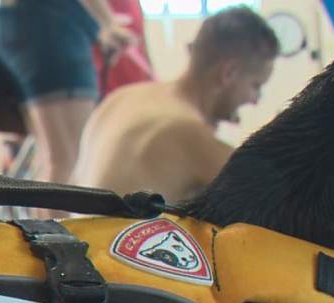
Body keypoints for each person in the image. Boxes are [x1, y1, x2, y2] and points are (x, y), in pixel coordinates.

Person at [71, 6, 278, 202]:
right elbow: (272, 194)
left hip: (75, 235)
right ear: (229, 73)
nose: (255, 100)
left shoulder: (121, 97)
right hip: (111, 239)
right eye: (255, 86)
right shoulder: (186, 130)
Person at [0, 0, 135, 186]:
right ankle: (60, 215)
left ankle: (46, 215)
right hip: (48, 25)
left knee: (50, 159)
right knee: (70, 160)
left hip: (12, 23)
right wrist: (108, 24)